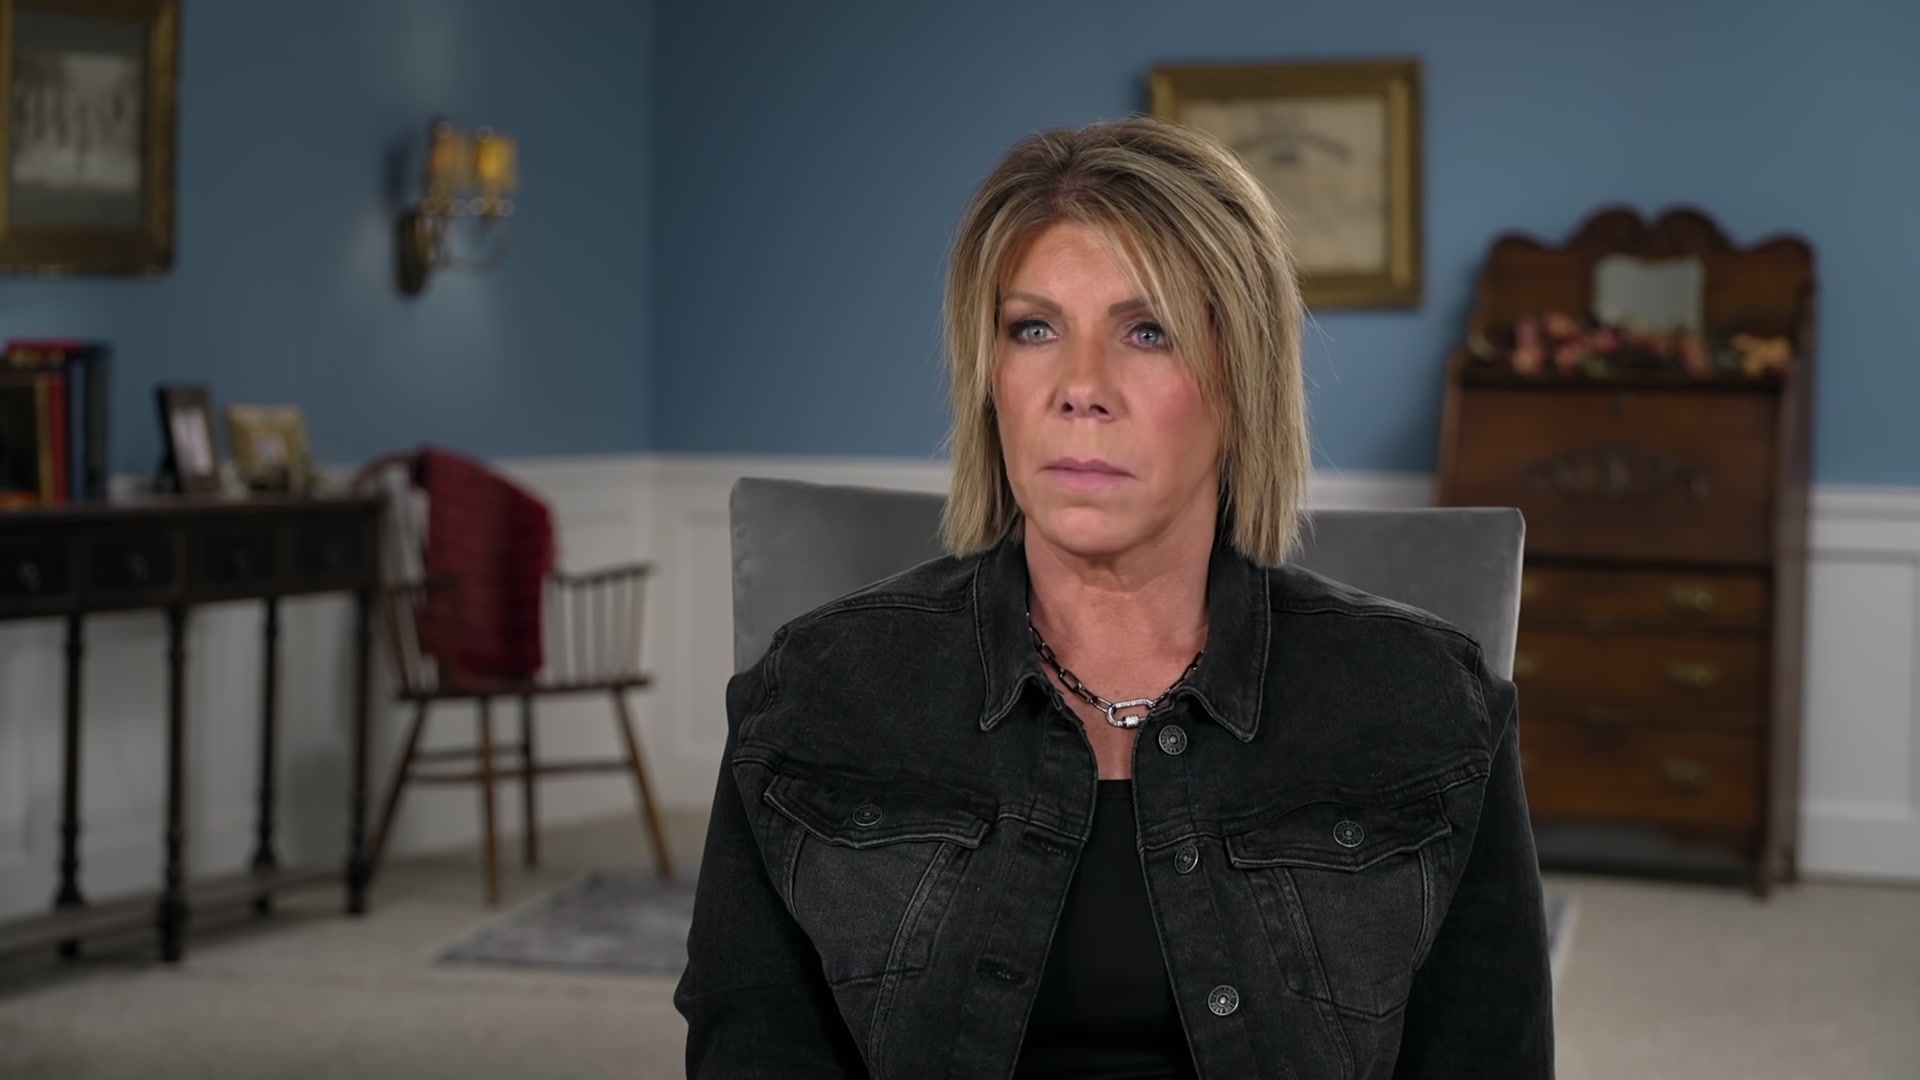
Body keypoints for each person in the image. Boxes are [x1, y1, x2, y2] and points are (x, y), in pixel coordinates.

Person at [674, 115, 1554, 1079]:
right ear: (990, 379)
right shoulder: (810, 696)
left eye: (1148, 331)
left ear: (1243, 376)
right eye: (1034, 328)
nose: (1080, 387)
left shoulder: (1432, 707)